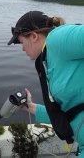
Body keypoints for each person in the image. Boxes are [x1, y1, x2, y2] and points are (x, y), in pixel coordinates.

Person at [7, 11, 84, 157]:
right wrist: (31, 107)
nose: (23, 49)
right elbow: (67, 114)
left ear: (34, 36)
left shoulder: (57, 38)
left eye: (22, 42)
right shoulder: (48, 60)